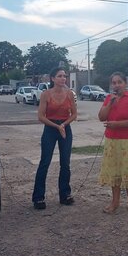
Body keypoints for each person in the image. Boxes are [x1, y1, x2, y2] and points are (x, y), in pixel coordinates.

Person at [32, 67, 77, 209]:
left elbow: (74, 114)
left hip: (65, 127)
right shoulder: (46, 94)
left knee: (65, 163)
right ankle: (38, 198)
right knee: (45, 162)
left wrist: (63, 125)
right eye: (60, 76)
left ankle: (65, 194)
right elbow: (40, 116)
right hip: (50, 128)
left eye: (65, 76)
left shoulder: (70, 94)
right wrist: (57, 127)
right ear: (52, 79)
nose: (63, 78)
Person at [98, 72, 128, 213]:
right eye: (114, 83)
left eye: (119, 82)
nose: (117, 85)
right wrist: (110, 104)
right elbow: (101, 117)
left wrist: (117, 125)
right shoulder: (108, 98)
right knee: (114, 172)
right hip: (112, 140)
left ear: (125, 83)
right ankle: (115, 202)